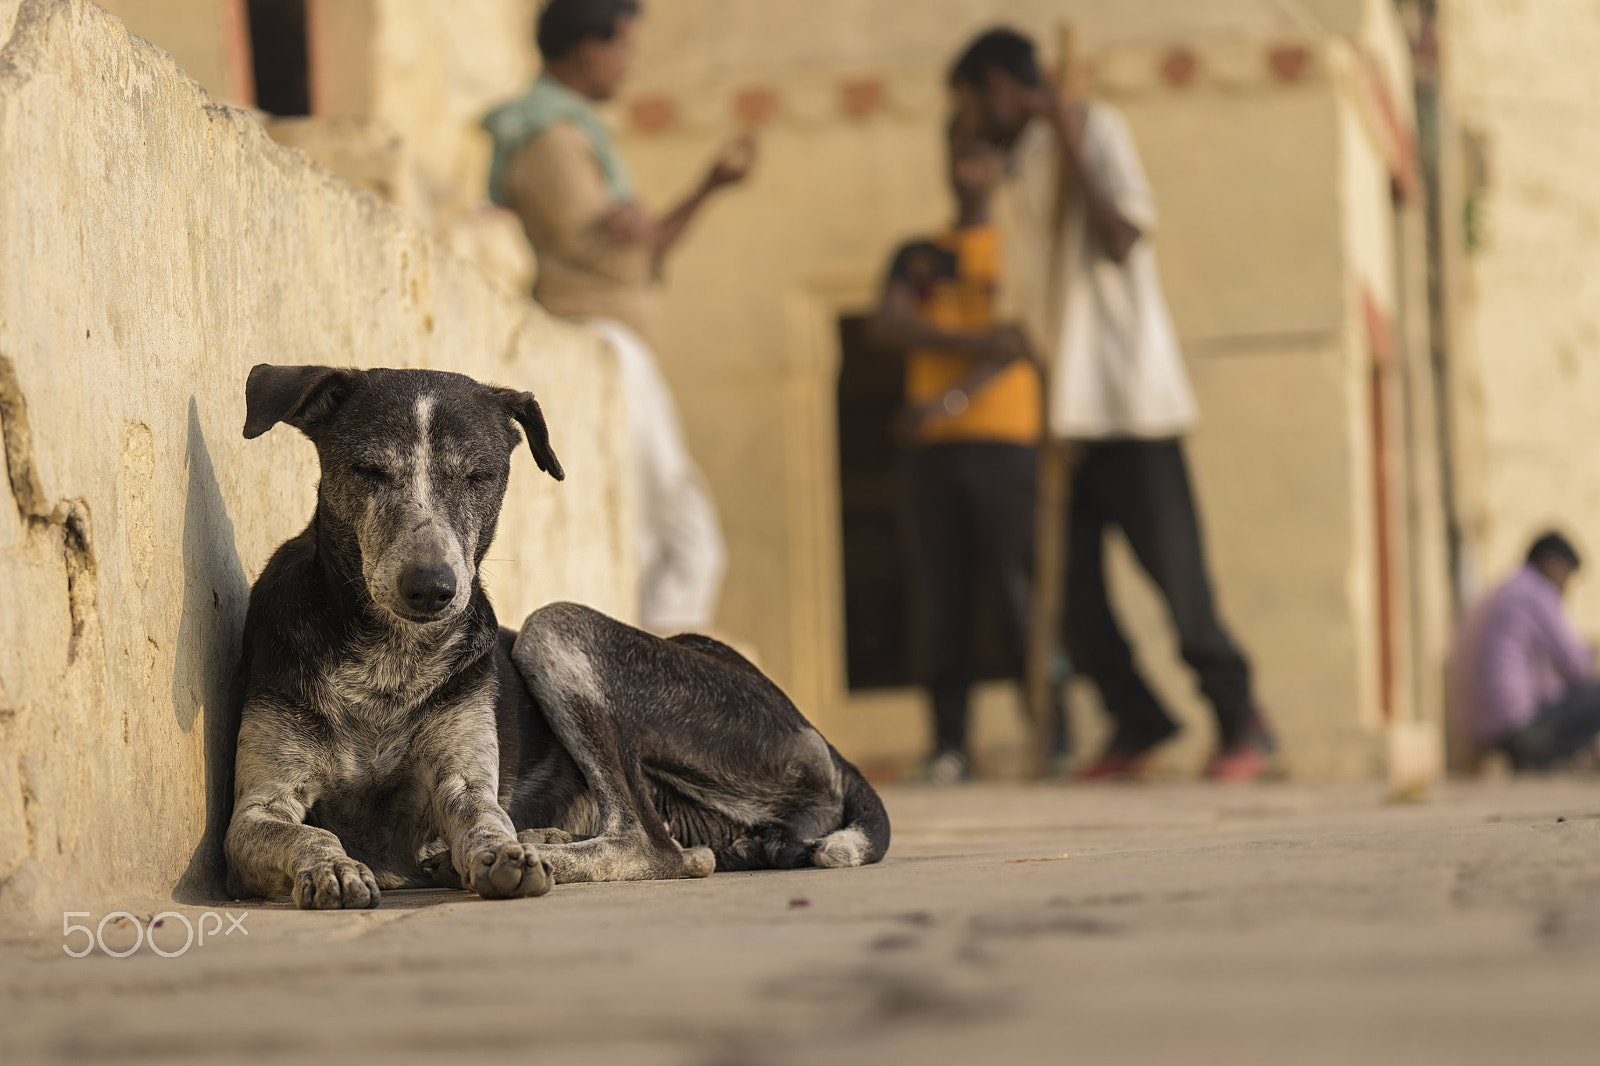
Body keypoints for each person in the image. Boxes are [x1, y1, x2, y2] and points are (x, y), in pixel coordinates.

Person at [948, 27, 1273, 781]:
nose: (971, 121)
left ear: (1000, 86)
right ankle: (1140, 720)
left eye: (972, 102)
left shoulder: (1096, 129)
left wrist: (1067, 129)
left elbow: (1123, 237)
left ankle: (1241, 721)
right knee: (1072, 597)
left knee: (1178, 585)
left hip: (1132, 404)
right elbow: (1037, 297)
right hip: (1066, 416)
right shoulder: (1021, 165)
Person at [482, 0, 755, 631]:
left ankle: (654, 668)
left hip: (619, 344)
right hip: (599, 339)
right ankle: (654, 675)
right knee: (672, 529)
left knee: (666, 524)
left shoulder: (574, 132)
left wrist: (706, 188)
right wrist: (653, 224)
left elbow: (639, 248)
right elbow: (615, 262)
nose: (629, 63)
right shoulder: (551, 138)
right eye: (623, 47)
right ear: (586, 49)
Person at [868, 123, 1066, 784]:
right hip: (932, 451)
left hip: (1007, 441)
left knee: (1020, 593)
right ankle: (949, 744)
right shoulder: (921, 253)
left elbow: (1027, 342)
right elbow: (888, 324)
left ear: (999, 165)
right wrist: (981, 342)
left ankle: (1052, 733)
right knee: (939, 597)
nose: (967, 166)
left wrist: (949, 392)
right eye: (957, 152)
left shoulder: (1020, 253)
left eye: (980, 154)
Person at [1451, 533, 1600, 771]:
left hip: (1476, 732)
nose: (1567, 587)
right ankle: (1538, 758)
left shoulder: (1502, 589)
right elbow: (1577, 667)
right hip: (1516, 731)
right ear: (1552, 564)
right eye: (1567, 575)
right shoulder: (1536, 592)